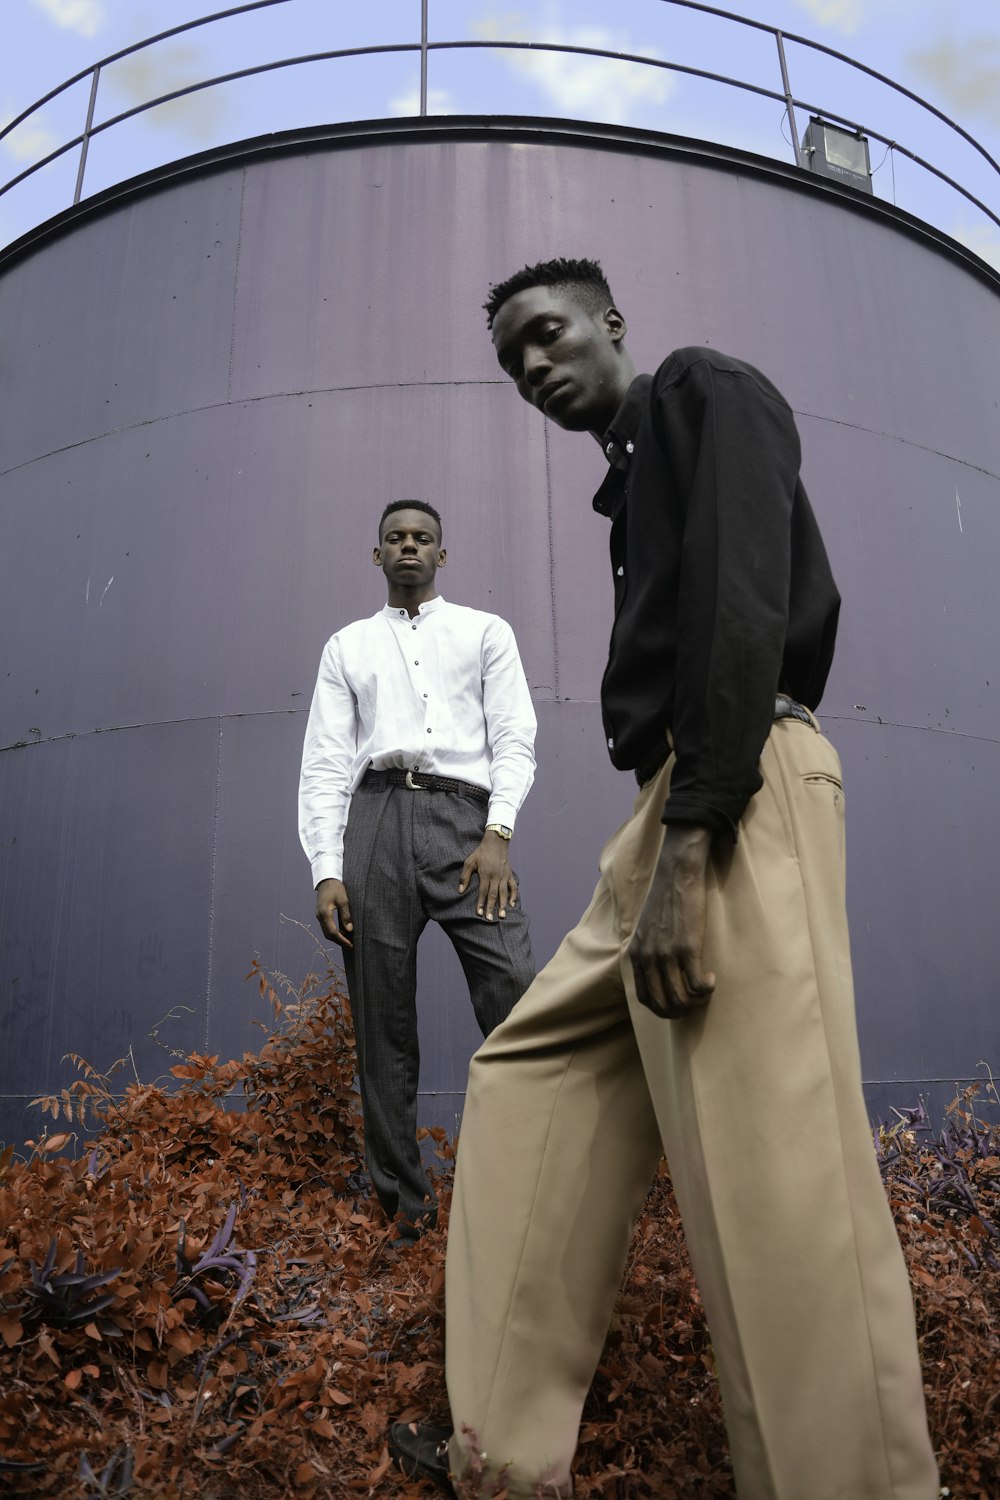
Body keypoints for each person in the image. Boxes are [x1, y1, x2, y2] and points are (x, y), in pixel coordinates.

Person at [389, 263, 939, 1496]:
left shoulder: (705, 392)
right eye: (512, 359)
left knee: (772, 1168)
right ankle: (500, 1456)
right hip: (669, 808)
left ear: (610, 325)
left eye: (548, 334)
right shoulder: (630, 481)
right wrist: (666, 831)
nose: (533, 366)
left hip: (735, 793)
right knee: (529, 1076)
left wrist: (694, 838)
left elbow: (747, 598)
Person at [298, 500, 537, 1240]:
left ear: (443, 552)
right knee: (382, 1022)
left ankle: (524, 1180)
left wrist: (498, 833)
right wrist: (325, 868)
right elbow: (327, 764)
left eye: (423, 538)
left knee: (517, 993)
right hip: (374, 826)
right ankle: (406, 1207)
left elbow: (515, 738)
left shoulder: (485, 632)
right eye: (396, 539)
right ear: (377, 557)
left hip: (468, 827)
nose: (409, 547)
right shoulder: (347, 647)